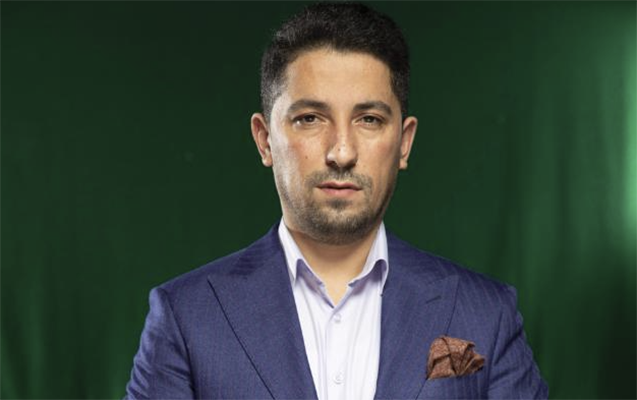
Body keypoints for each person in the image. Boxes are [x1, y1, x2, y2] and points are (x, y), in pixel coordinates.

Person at [124, 3, 548, 399]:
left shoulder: (486, 314)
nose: (341, 152)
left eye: (369, 119)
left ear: (404, 143)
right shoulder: (185, 317)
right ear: (265, 139)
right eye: (310, 119)